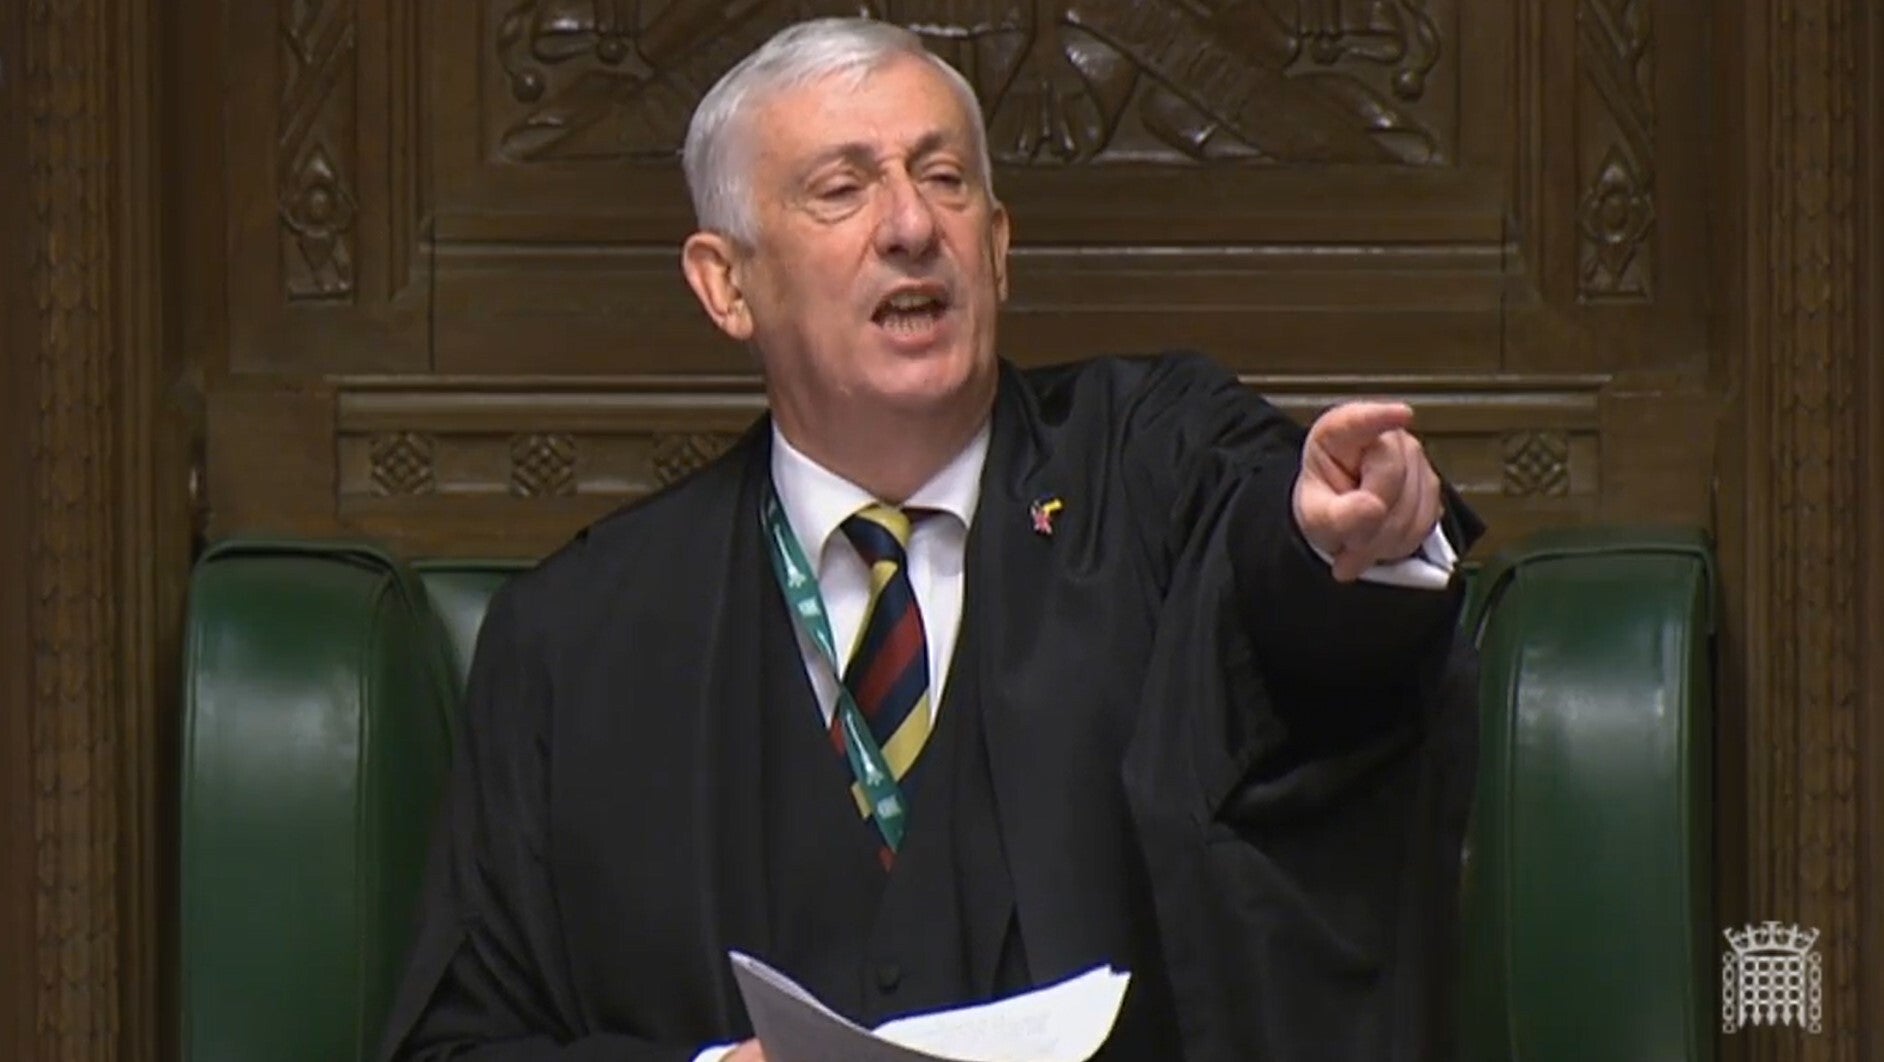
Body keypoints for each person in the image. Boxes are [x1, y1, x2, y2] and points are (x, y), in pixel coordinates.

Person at [379, 17, 1481, 1062]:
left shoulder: (1151, 463)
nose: (911, 226)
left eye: (944, 178)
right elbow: (460, 1037)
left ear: (997, 248)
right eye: (842, 188)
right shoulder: (575, 639)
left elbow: (1292, 593)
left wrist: (1342, 535)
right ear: (726, 285)